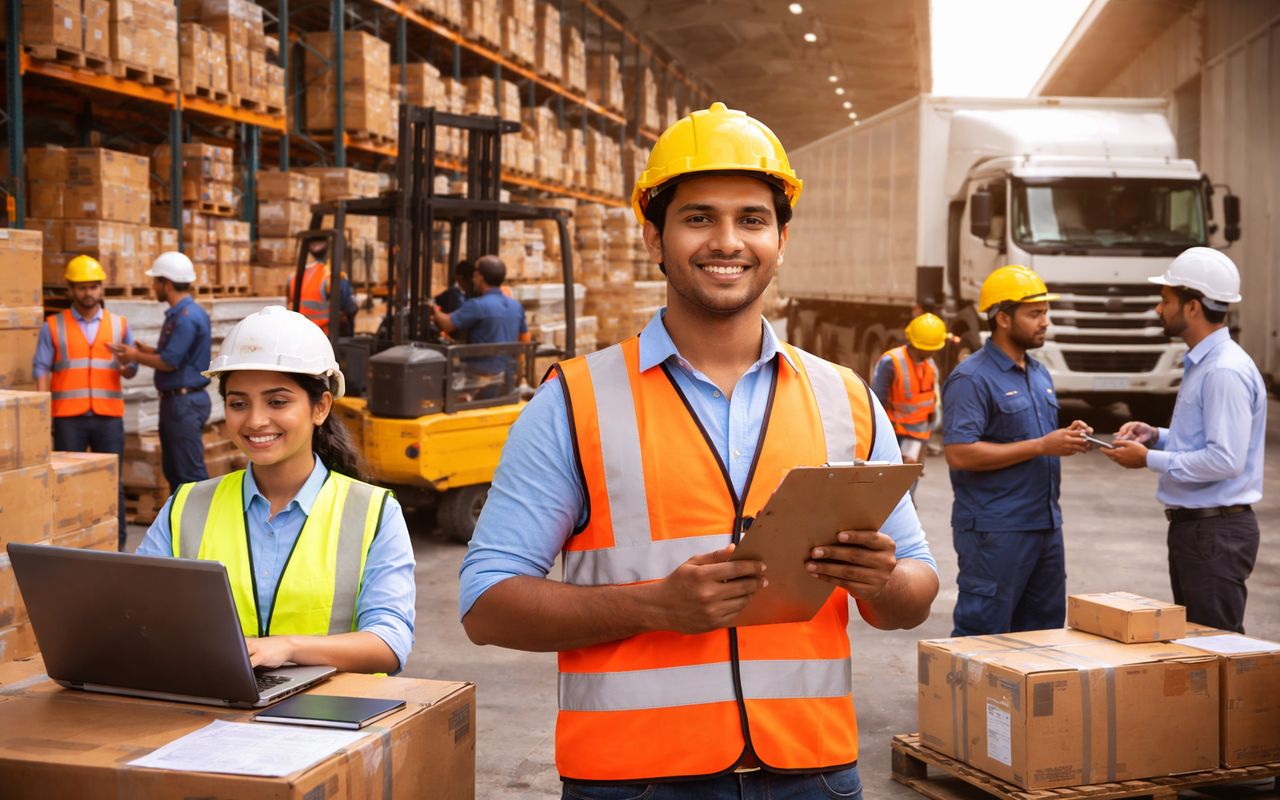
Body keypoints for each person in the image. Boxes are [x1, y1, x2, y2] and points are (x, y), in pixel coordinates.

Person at [458, 102, 938, 799]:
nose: (727, 241)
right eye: (698, 217)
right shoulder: (576, 401)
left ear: (781, 240)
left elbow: (915, 594)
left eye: (752, 219)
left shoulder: (847, 399)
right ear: (654, 238)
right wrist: (653, 606)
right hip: (636, 781)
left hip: (813, 773)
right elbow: (486, 602)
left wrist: (881, 581)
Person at [136, 306, 416, 673]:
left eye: (277, 401)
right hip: (211, 710)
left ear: (320, 408)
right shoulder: (187, 506)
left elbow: (389, 642)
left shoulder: (372, 512)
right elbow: (137, 612)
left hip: (331, 717)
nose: (255, 420)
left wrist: (287, 647)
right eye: (238, 403)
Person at [1103, 248, 1264, 633]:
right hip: (1201, 531)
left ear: (1193, 307)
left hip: (1214, 533)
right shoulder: (1206, 363)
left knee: (1216, 649)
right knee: (1200, 647)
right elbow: (1206, 440)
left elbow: (1225, 459)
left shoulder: (1223, 370)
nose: (1159, 310)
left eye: (1165, 301)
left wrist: (1148, 459)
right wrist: (1157, 437)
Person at [941, 265, 1095, 637]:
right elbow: (960, 453)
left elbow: (1032, 437)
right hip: (996, 531)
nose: (1045, 322)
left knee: (1043, 634)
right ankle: (971, 699)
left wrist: (1066, 436)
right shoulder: (972, 378)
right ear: (1003, 318)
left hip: (1043, 525)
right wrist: (1043, 445)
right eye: (1035, 314)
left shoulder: (1038, 373)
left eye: (1046, 312)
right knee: (984, 632)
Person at [33, 255, 137, 550]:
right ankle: (71, 545)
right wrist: (42, 413)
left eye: (93, 286)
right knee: (66, 483)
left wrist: (127, 362)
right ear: (70, 290)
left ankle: (116, 546)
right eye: (81, 287)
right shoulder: (53, 326)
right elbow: (40, 367)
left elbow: (132, 370)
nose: (88, 293)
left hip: (108, 416)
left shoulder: (119, 325)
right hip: (68, 417)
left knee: (111, 483)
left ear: (101, 288)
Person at [109, 252, 213, 495]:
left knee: (189, 474)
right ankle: (181, 527)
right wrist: (148, 351)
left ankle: (204, 529)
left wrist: (134, 356)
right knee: (175, 470)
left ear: (167, 284)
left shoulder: (185, 318)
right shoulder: (186, 314)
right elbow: (179, 357)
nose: (153, 286)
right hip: (179, 402)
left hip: (183, 404)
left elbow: (169, 362)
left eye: (156, 281)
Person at [430, 255, 529, 394]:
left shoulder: (477, 305)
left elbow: (447, 324)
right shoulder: (516, 306)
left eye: (475, 275)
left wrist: (432, 309)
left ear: (479, 276)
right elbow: (524, 340)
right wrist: (517, 372)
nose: (473, 279)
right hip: (505, 379)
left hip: (478, 380)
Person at [872, 313, 946, 469]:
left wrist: (933, 420)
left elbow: (933, 398)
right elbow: (878, 403)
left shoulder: (930, 365)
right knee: (893, 485)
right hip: (895, 433)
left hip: (919, 435)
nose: (932, 353)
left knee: (910, 482)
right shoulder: (891, 362)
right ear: (917, 345)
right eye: (929, 349)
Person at [289, 239, 357, 337]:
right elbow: (350, 307)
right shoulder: (333, 277)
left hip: (300, 335)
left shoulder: (294, 277)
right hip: (325, 336)